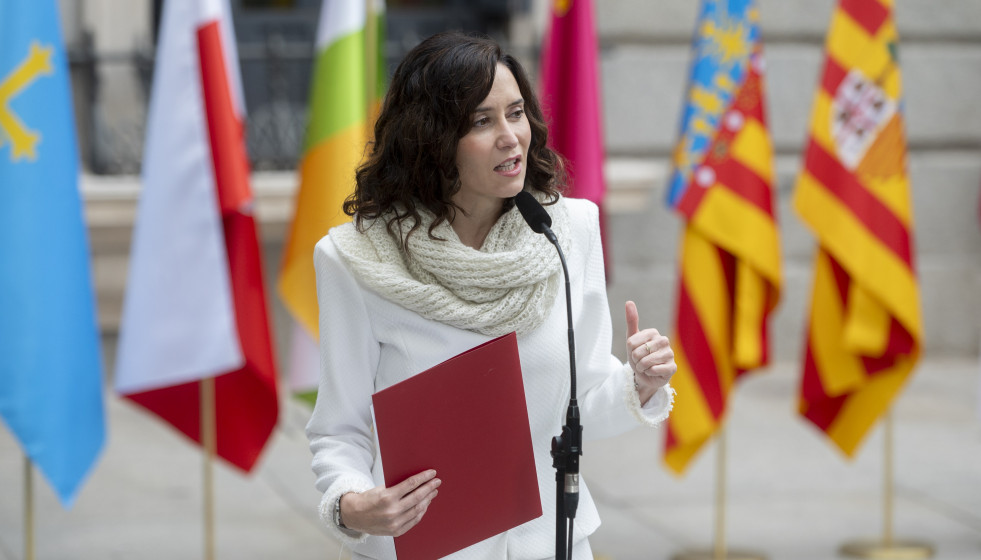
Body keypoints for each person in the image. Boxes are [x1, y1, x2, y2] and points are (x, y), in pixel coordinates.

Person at [306, 31, 677, 559]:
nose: (511, 137)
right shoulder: (354, 260)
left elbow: (580, 408)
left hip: (551, 545)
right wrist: (351, 504)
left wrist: (637, 383)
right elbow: (339, 431)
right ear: (432, 139)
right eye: (482, 121)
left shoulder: (570, 230)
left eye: (517, 112)